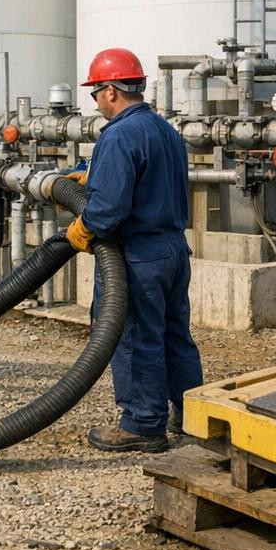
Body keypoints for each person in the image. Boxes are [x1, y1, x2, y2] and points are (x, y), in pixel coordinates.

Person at [66, 47, 203, 453]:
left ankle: (143, 424)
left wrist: (82, 228)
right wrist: (94, 176)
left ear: (110, 91)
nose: (95, 102)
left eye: (95, 94)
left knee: (136, 335)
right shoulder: (165, 131)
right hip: (173, 250)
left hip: (137, 255)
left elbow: (108, 210)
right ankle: (194, 416)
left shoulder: (119, 133)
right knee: (174, 334)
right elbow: (146, 179)